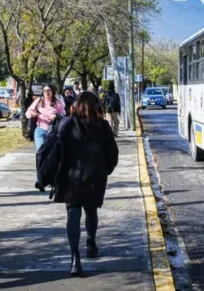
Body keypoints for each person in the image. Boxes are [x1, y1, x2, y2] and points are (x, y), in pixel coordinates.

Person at [53, 92, 119, 276]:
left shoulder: (66, 124)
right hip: (95, 176)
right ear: (97, 106)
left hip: (70, 176)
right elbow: (113, 154)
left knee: (72, 214)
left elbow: (57, 150)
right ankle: (91, 243)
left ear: (76, 105)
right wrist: (106, 170)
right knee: (91, 211)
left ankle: (75, 258)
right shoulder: (103, 126)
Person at [25, 84, 65, 191]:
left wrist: (56, 116)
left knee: (52, 155)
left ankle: (53, 180)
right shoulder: (38, 101)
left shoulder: (58, 103)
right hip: (40, 130)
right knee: (40, 154)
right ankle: (40, 180)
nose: (47, 93)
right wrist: (32, 114)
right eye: (45, 91)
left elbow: (64, 115)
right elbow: (27, 113)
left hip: (53, 132)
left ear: (53, 92)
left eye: (49, 91)